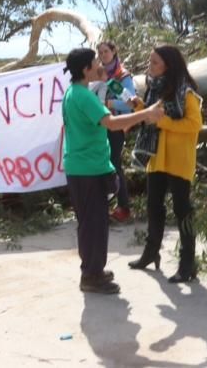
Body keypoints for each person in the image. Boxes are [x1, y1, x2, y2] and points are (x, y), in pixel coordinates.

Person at [62, 48, 164, 294]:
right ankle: (91, 276)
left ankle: (93, 269)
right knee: (94, 224)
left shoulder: (75, 91)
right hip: (88, 169)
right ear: (86, 69)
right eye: (96, 60)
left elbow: (117, 106)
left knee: (90, 223)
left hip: (83, 167)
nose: (101, 63)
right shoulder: (84, 96)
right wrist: (146, 114)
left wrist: (127, 100)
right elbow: (112, 123)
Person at [128, 45, 204, 284]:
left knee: (183, 211)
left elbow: (194, 125)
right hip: (157, 157)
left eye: (154, 63)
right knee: (153, 207)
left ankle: (187, 263)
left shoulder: (187, 93)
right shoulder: (154, 89)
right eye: (150, 62)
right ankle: (151, 253)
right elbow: (153, 117)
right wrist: (140, 108)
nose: (149, 67)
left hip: (179, 160)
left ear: (168, 66)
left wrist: (163, 123)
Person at [97, 41, 137, 222]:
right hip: (100, 127)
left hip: (116, 126)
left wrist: (109, 104)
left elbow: (131, 104)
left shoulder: (122, 76)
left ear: (114, 52)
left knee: (114, 163)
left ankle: (124, 207)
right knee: (100, 165)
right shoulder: (98, 74)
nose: (103, 55)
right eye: (100, 52)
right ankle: (103, 206)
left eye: (106, 51)